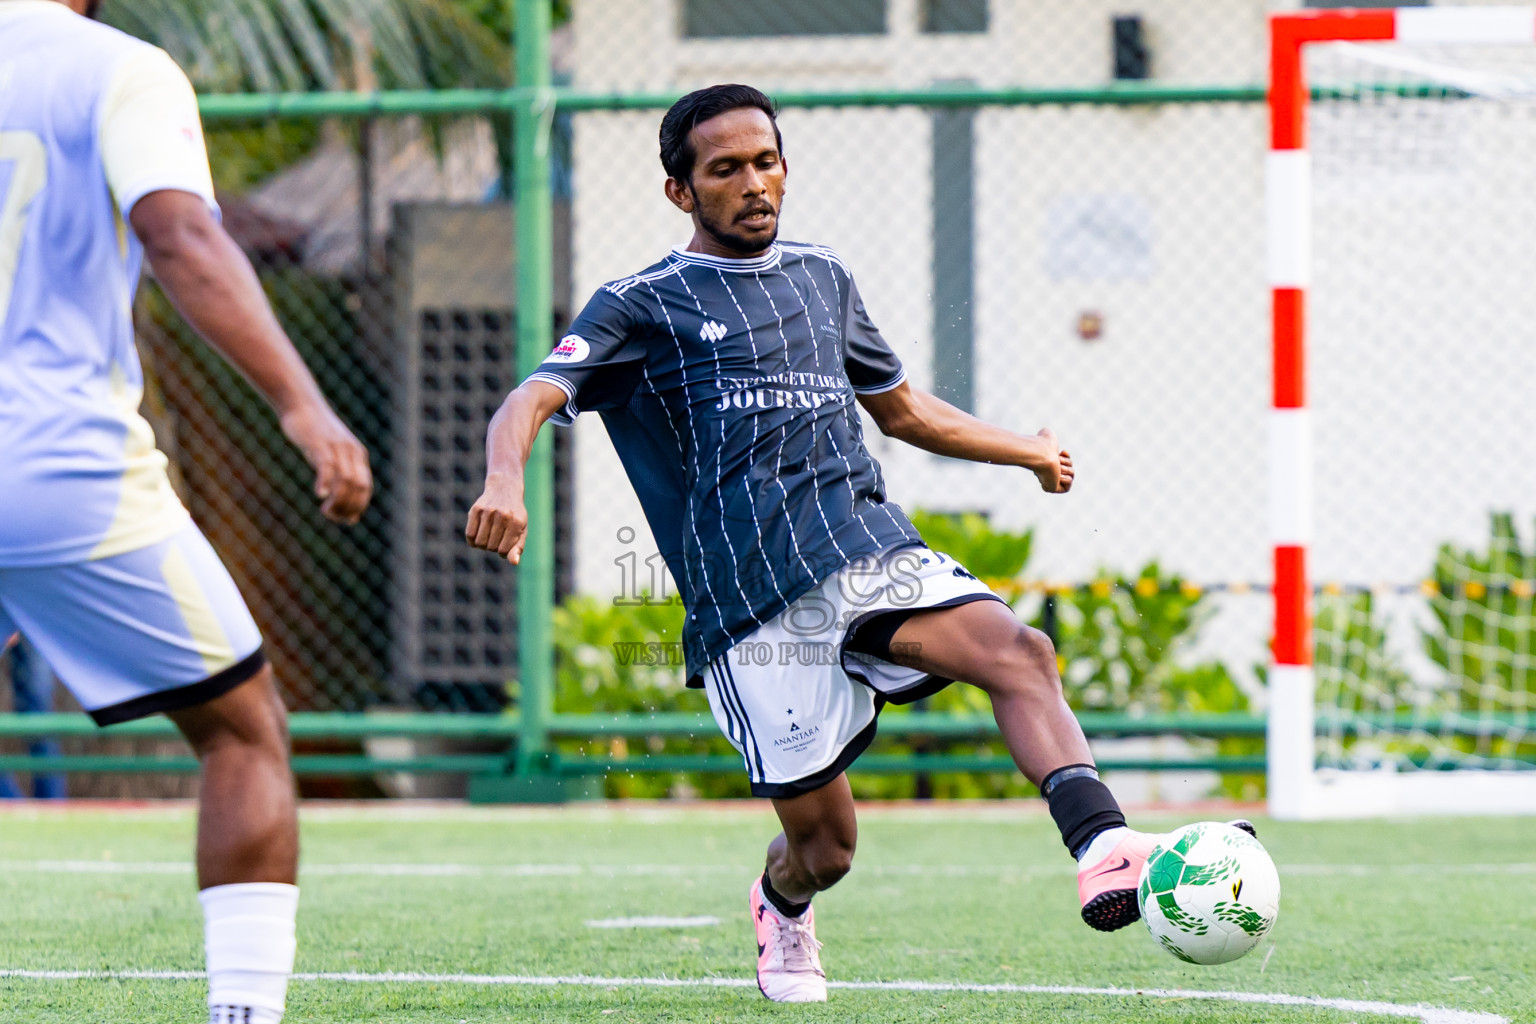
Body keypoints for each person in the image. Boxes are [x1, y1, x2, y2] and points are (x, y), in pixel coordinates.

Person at [466, 83, 1245, 1003]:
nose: (754, 183)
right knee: (827, 850)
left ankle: (1103, 845)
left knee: (1018, 650)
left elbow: (904, 410)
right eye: (725, 170)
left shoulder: (822, 276)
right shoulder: (643, 303)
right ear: (682, 192)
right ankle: (781, 903)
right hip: (752, 601)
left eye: (766, 162)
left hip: (864, 545)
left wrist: (1023, 448)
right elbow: (532, 396)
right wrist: (506, 479)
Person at [0, 1, 373, 1021]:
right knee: (242, 730)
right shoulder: (120, 69)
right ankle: (243, 1013)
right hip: (55, 468)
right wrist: (305, 404)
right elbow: (181, 236)